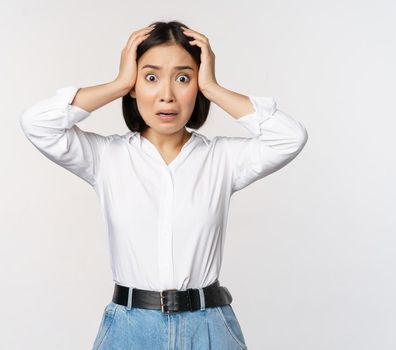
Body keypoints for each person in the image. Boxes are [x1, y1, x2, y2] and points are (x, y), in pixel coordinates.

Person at [18, 20, 308, 349]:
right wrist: (119, 84)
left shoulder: (222, 159)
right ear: (135, 84)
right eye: (151, 77)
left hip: (209, 328)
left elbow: (289, 137)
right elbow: (37, 123)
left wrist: (213, 88)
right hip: (129, 329)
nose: (166, 95)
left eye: (183, 78)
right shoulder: (106, 157)